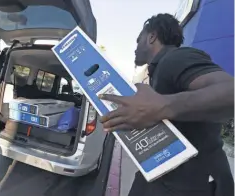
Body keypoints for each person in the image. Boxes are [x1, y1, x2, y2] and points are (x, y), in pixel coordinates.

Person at [99, 14, 234, 196]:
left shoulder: (177, 57)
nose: (135, 48)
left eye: (138, 40)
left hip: (194, 184)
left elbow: (230, 91)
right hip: (164, 175)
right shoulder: (159, 69)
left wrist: (162, 106)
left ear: (151, 37)